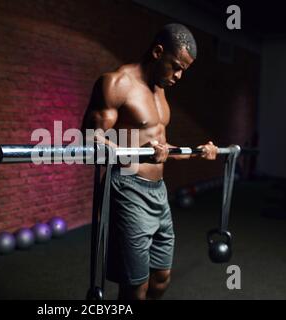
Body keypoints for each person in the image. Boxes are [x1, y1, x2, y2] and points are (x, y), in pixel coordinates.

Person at [81, 23, 218, 300]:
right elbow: (88, 138)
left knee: (160, 278)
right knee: (135, 285)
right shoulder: (116, 84)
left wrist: (197, 151)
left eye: (183, 70)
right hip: (128, 189)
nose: (178, 76)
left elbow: (161, 147)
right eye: (176, 66)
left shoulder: (160, 89)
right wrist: (137, 149)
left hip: (159, 192)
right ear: (158, 52)